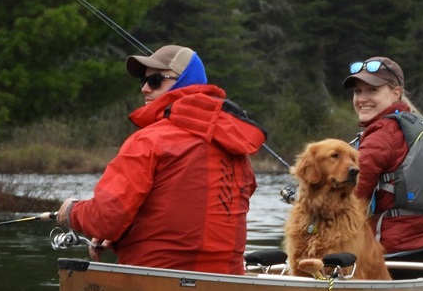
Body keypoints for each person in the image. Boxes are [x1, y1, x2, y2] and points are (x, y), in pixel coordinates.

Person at [56, 45, 266, 274]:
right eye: (143, 82)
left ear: (185, 82)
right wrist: (121, 234)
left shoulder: (148, 141)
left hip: (157, 283)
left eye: (155, 81)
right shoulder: (237, 151)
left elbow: (106, 217)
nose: (145, 89)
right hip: (226, 284)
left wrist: (71, 211)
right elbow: (185, 210)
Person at [344, 56, 423, 277]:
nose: (362, 98)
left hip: (396, 260)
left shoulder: (382, 135)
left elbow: (349, 198)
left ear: (395, 93)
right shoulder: (417, 125)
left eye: (372, 90)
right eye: (358, 91)